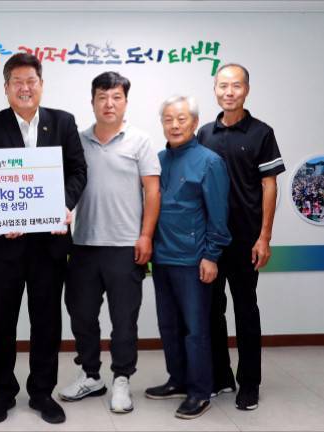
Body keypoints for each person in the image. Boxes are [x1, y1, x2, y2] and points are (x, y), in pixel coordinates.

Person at [0, 53, 87, 424]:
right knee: (3, 321)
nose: (25, 88)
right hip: (4, 245)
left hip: (48, 245)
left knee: (47, 321)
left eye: (31, 81)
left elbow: (78, 171)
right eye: (17, 82)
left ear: (41, 84)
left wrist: (62, 205)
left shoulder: (63, 122)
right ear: (6, 88)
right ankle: (2, 393)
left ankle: (41, 392)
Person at [58, 71, 161, 413]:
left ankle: (121, 379)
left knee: (124, 319)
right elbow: (64, 184)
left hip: (125, 245)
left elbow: (152, 191)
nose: (109, 103)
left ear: (125, 102)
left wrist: (146, 235)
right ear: (92, 102)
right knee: (81, 314)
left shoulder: (140, 141)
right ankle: (91, 375)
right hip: (83, 245)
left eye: (116, 97)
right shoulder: (77, 140)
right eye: (102, 97)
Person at [198, 63, 285, 410]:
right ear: (215, 90)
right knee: (211, 310)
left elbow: (269, 186)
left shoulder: (261, 133)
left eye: (236, 85)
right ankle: (220, 376)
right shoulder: (204, 134)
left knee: (246, 310)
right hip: (210, 242)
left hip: (246, 240)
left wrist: (264, 237)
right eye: (223, 86)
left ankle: (250, 383)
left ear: (246, 89)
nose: (229, 92)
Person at [145, 95, 231, 419]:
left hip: (194, 261)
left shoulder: (210, 162)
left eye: (181, 119)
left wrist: (211, 256)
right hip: (162, 258)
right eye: (168, 119)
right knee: (169, 326)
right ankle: (178, 380)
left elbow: (219, 216)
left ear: (194, 123)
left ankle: (200, 391)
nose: (175, 125)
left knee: (196, 330)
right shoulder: (156, 161)